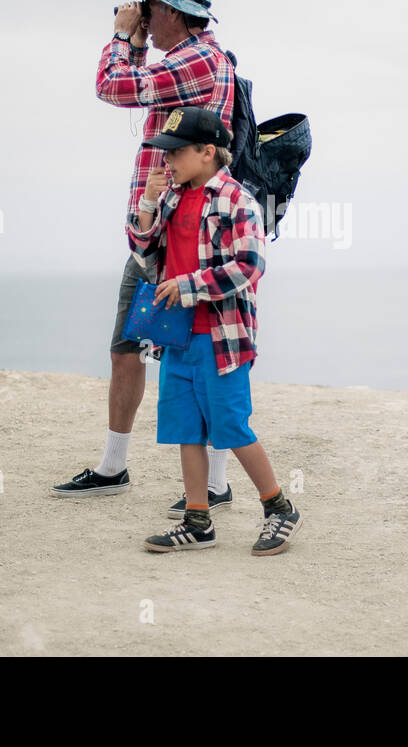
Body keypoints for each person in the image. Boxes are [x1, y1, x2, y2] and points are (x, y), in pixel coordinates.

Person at [52, 0, 237, 516]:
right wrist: (134, 40)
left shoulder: (200, 59)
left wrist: (118, 34)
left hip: (189, 234)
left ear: (177, 13)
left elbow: (113, 86)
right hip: (154, 232)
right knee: (126, 346)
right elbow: (133, 85)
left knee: (199, 356)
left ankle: (219, 482)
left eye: (150, 10)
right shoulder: (184, 59)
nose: (143, 17)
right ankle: (113, 467)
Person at [126, 105, 300, 555]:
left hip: (221, 336)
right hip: (177, 336)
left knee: (231, 426)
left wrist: (188, 285)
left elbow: (250, 265)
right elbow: (147, 259)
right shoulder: (172, 197)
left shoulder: (236, 200)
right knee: (185, 428)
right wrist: (146, 205)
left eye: (176, 152)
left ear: (207, 152)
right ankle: (198, 520)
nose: (167, 161)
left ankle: (279, 507)